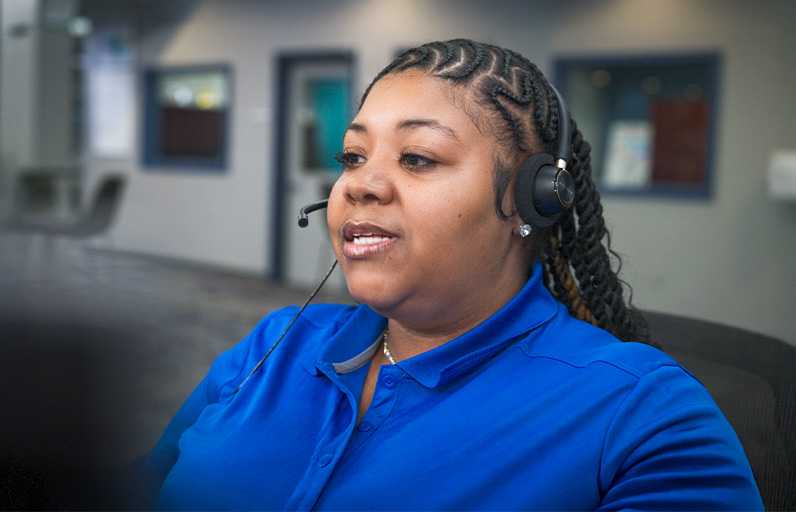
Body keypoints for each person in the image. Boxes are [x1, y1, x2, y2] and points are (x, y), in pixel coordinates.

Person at [139, 39, 763, 510]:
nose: (359, 184)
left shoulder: (645, 415)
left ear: (530, 199)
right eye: (352, 155)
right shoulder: (277, 342)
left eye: (417, 157)